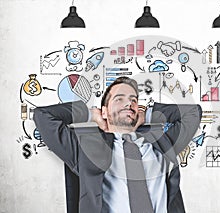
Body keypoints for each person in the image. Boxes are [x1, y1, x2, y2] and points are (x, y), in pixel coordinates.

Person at [33, 76, 202, 213]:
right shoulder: (84, 148)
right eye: (119, 99)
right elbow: (43, 116)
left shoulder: (162, 142)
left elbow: (193, 113)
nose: (129, 104)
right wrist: (90, 114)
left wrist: (148, 115)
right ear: (104, 111)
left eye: (133, 100)